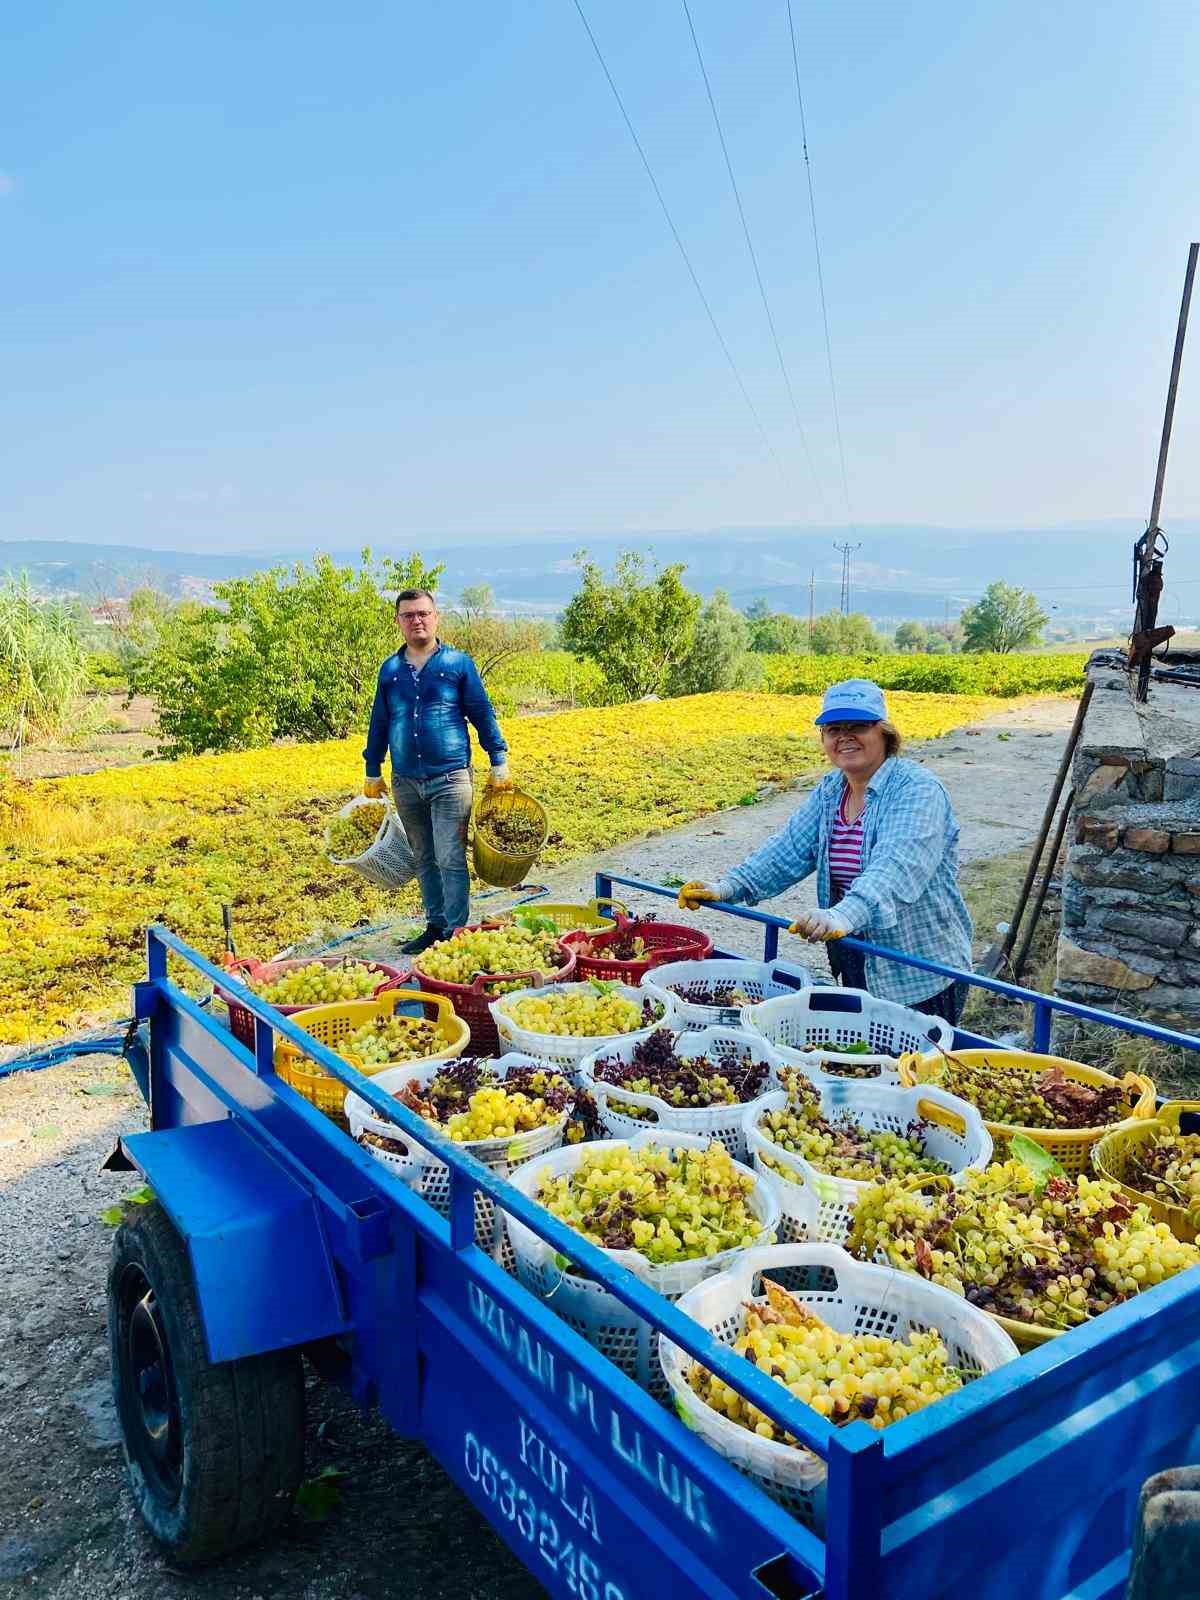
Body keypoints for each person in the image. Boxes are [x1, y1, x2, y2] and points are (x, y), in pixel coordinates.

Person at [677, 678, 973, 1024]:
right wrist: (727, 887)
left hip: (917, 970)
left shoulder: (917, 790)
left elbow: (896, 868)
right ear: (824, 738)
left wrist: (843, 914)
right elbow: (787, 850)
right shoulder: (833, 789)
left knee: (909, 1068)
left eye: (858, 726)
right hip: (854, 953)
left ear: (884, 734)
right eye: (834, 729)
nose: (845, 737)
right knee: (861, 1054)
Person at [363, 587, 512, 954]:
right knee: (423, 856)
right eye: (408, 615)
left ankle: (457, 932)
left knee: (449, 854)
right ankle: (435, 926)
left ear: (436, 617)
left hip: (451, 778)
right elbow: (380, 720)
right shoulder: (391, 670)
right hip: (405, 780)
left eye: (423, 613)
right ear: (399, 622)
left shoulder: (458, 664)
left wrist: (499, 760)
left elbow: (482, 712)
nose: (417, 620)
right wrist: (372, 768)